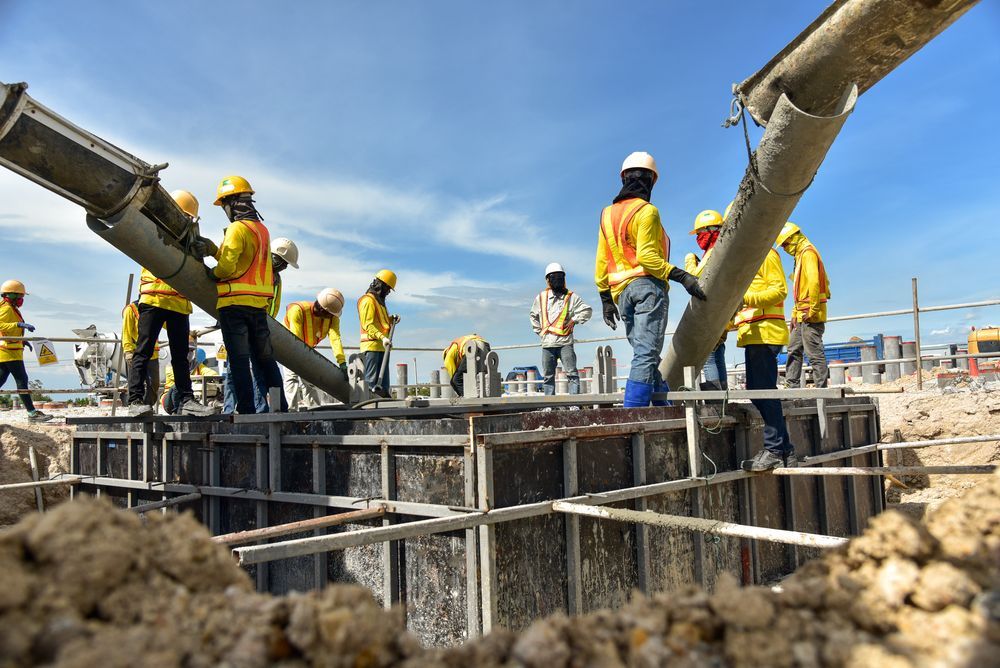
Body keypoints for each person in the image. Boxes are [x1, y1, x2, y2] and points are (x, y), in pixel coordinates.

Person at [594, 151, 706, 407]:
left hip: (620, 293)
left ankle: (662, 406)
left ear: (623, 179)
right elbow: (647, 257)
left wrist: (605, 297)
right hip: (647, 288)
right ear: (652, 181)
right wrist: (682, 276)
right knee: (646, 353)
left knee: (645, 353)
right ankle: (632, 414)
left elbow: (601, 260)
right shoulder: (647, 211)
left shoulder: (606, 214)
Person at [128, 190, 215, 418]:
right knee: (143, 350)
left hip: (178, 302)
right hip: (155, 298)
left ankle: (186, 399)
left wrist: (201, 253)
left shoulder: (190, 236)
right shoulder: (153, 227)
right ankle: (135, 401)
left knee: (180, 355)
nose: (185, 221)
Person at [205, 175, 286, 414]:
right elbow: (250, 264)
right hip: (258, 307)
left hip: (234, 305)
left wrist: (213, 273)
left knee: (239, 361)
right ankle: (280, 408)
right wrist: (214, 250)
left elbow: (229, 267)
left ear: (232, 203)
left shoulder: (237, 229)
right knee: (265, 358)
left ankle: (247, 410)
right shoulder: (262, 230)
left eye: (225, 205)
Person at [736, 246, 798, 471]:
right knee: (757, 391)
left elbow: (779, 290)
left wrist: (744, 298)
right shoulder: (746, 260)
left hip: (766, 332)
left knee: (764, 391)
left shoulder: (763, 253)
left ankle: (774, 449)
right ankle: (785, 449)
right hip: (754, 334)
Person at [222, 236, 298, 413]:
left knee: (259, 370)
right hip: (240, 322)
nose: (284, 267)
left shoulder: (276, 279)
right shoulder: (255, 267)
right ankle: (229, 410)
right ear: (274, 256)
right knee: (235, 369)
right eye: (283, 262)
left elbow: (274, 304)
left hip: (258, 326)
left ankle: (261, 408)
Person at [776, 222, 831, 388]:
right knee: (793, 349)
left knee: (813, 352)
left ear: (793, 239)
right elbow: (799, 289)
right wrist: (795, 312)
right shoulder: (800, 256)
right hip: (801, 313)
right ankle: (791, 387)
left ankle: (821, 389)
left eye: (785, 244)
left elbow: (814, 283)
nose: (785, 248)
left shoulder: (807, 253)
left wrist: (813, 309)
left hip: (811, 314)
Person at [530, 262, 592, 395]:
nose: (557, 279)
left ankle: (574, 404)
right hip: (548, 344)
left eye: (560, 276)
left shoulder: (571, 297)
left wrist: (574, 319)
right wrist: (540, 332)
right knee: (548, 376)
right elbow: (533, 315)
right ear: (548, 280)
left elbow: (587, 310)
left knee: (572, 374)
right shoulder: (541, 297)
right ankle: (549, 405)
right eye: (553, 276)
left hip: (565, 343)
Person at [684, 209, 728, 390]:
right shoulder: (721, 247)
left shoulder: (714, 251)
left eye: (700, 233)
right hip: (720, 312)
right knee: (717, 353)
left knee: (708, 355)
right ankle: (723, 395)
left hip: (712, 314)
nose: (698, 238)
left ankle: (716, 400)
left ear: (711, 230)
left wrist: (689, 261)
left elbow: (697, 280)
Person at [283, 288, 346, 410]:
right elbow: (295, 341)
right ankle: (291, 413)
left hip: (307, 348)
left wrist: (342, 361)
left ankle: (314, 412)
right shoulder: (298, 311)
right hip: (289, 346)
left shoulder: (332, 318)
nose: (333, 317)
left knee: (309, 380)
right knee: (292, 377)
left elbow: (335, 339)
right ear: (323, 309)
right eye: (331, 314)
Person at [0, 280, 52, 422]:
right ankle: (31, 413)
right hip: (9, 351)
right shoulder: (5, 309)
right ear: (12, 295)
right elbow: (1, 325)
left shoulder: (11, 308)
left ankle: (32, 412)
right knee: (22, 380)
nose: (22, 300)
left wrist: (22, 340)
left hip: (11, 349)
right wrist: (18, 324)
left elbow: (7, 330)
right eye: (20, 296)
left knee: (2, 379)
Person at [358, 270, 399, 397]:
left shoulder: (379, 302)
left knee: (383, 385)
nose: (388, 292)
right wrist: (382, 338)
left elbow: (381, 321)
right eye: (388, 289)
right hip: (371, 347)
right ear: (381, 285)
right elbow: (368, 325)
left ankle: (384, 404)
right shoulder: (368, 301)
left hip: (383, 346)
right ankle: (370, 407)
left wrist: (391, 318)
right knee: (371, 382)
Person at [121, 300, 161, 406]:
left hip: (153, 354)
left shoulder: (156, 307)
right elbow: (126, 332)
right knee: (135, 383)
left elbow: (166, 323)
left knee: (154, 384)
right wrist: (128, 351)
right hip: (136, 354)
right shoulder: (131, 309)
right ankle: (135, 406)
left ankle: (147, 407)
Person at [161, 348, 219, 415]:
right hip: (170, 401)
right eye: (187, 350)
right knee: (178, 385)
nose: (189, 353)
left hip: (190, 398)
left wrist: (213, 378)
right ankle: (177, 412)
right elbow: (179, 377)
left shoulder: (197, 365)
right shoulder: (172, 365)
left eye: (191, 351)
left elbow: (210, 372)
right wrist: (196, 380)